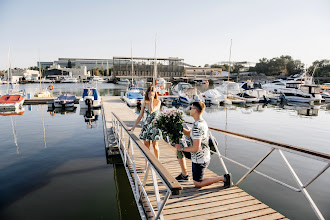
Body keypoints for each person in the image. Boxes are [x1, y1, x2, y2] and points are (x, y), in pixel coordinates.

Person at [175, 101, 232, 188]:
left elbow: (196, 148)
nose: (190, 109)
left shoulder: (197, 126)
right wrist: (179, 128)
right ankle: (184, 174)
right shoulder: (200, 122)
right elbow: (189, 134)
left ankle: (224, 178)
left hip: (200, 158)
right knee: (197, 181)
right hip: (202, 156)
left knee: (197, 183)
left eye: (191, 108)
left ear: (196, 111)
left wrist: (182, 149)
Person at [129, 86, 163, 168]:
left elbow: (151, 111)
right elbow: (140, 115)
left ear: (155, 94)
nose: (150, 95)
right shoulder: (144, 102)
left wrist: (151, 100)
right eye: (149, 93)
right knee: (146, 147)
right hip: (146, 126)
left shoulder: (158, 102)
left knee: (155, 146)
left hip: (155, 126)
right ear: (147, 93)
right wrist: (133, 127)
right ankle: (146, 165)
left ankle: (157, 164)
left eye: (152, 93)